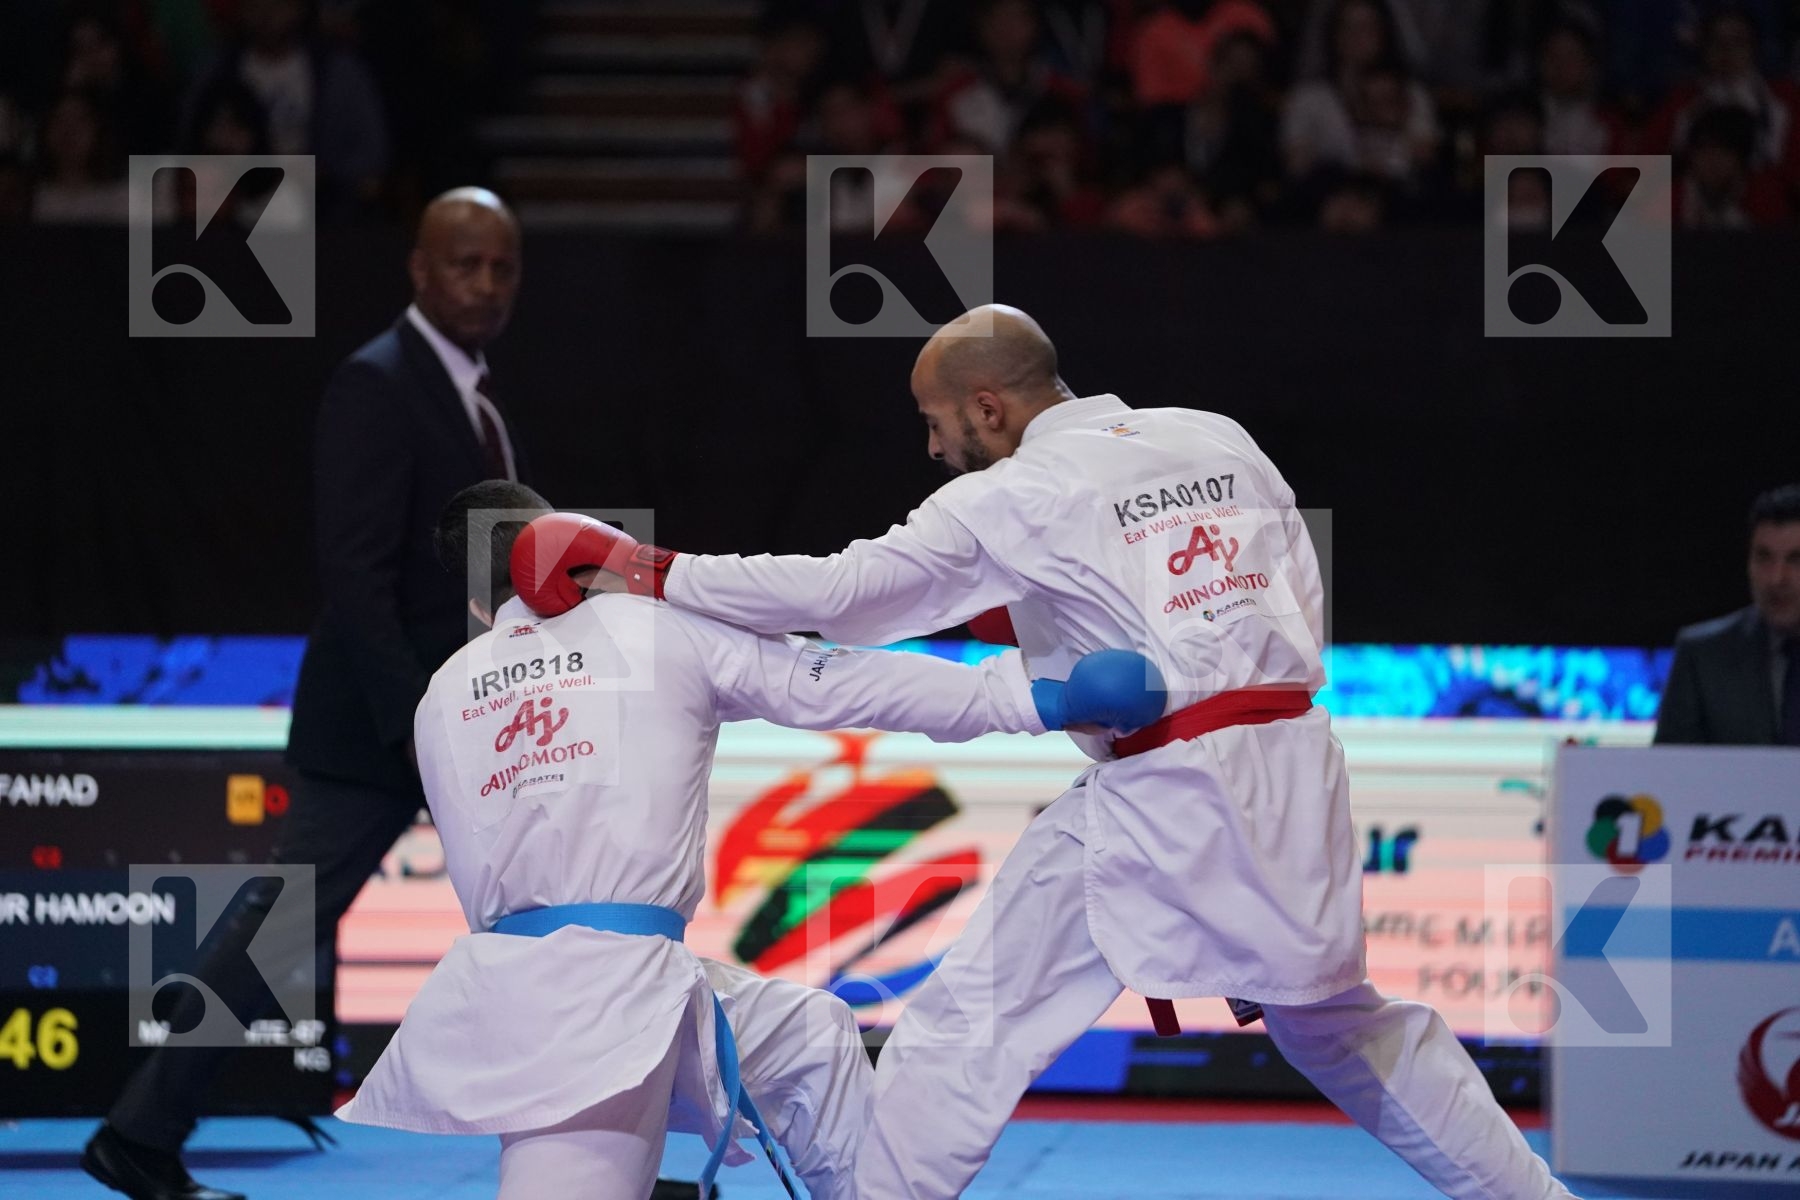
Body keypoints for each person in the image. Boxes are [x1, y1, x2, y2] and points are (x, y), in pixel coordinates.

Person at [521, 304, 1581, 1200]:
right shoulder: (1214, 433)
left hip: (1169, 787)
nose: (933, 450)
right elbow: (1287, 586)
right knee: (1343, 1029)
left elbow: (840, 598)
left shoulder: (1010, 495)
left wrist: (647, 567)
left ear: (990, 407)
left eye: (938, 425)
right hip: (1296, 757)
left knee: (970, 1021)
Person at [337, 481, 1164, 1199]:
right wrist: (1041, 699)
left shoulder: (441, 696)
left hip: (548, 986)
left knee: (812, 1038)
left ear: (479, 600)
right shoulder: (649, 630)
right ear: (564, 541)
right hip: (597, 1000)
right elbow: (843, 682)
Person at [85, 188, 531, 1200]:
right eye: (466, 264)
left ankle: (592, 1145)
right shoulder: (379, 384)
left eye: (503, 267)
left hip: (458, 721)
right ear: (419, 269)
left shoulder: (473, 392)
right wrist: (422, 725)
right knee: (280, 931)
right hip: (383, 727)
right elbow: (355, 575)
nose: (486, 284)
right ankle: (140, 1134)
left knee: (552, 917)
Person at [1654, 483, 1800, 746]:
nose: (1776, 578)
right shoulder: (1703, 656)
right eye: (1763, 557)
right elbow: (1669, 773)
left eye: (1796, 559)